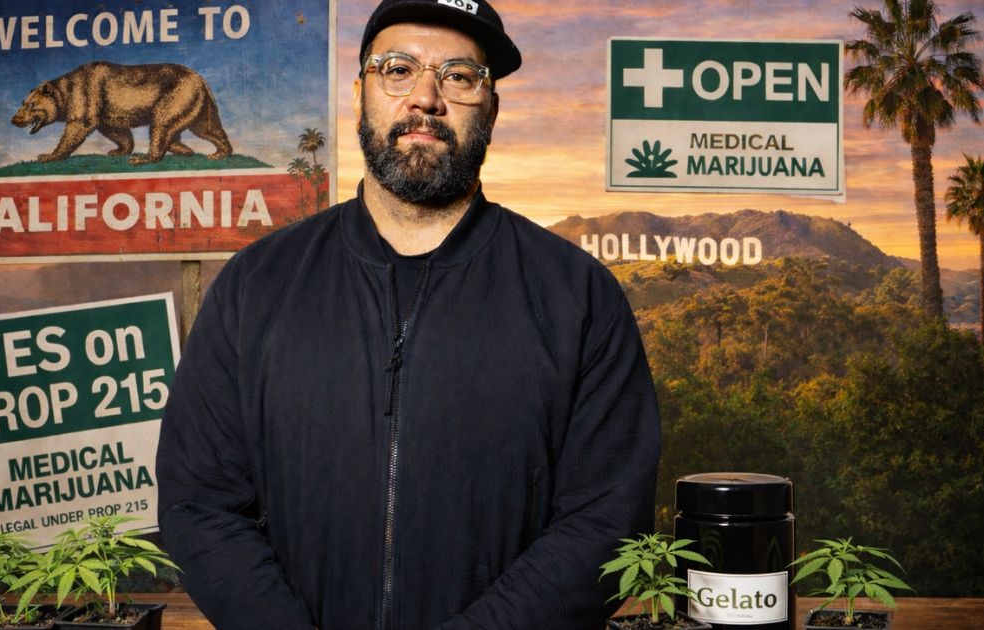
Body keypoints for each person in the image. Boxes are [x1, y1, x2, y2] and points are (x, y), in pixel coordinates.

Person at [155, 1, 660, 628]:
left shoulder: (577, 295)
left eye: (459, 75)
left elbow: (607, 521)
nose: (426, 96)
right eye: (398, 68)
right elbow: (199, 505)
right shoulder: (256, 286)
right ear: (361, 92)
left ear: (492, 108)